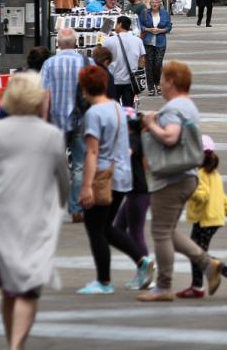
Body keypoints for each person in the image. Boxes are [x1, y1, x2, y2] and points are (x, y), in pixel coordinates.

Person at [0, 73, 70, 350]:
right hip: (37, 217)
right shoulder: (51, 135)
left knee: (9, 286)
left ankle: (12, 341)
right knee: (28, 286)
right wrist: (61, 203)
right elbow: (63, 178)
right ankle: (17, 345)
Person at [137, 61, 227, 302]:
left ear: (171, 82)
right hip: (187, 176)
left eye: (163, 79)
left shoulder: (174, 108)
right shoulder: (188, 106)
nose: (160, 83)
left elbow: (170, 137)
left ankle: (163, 286)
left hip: (171, 177)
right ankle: (209, 265)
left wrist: (150, 123)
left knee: (160, 233)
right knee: (168, 232)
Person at [76, 66, 155, 295]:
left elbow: (92, 152)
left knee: (95, 228)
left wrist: (86, 186)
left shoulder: (94, 114)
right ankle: (142, 261)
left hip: (102, 176)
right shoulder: (118, 108)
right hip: (123, 176)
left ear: (85, 88)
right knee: (107, 227)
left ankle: (104, 280)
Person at [178, 134, 227, 298]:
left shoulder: (198, 174)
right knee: (197, 251)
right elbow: (223, 197)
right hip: (213, 218)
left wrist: (189, 190)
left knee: (196, 253)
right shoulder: (215, 174)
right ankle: (197, 286)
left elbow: (203, 196)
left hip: (205, 220)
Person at [41, 28, 92, 223]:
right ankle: (76, 207)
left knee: (54, 166)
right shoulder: (86, 63)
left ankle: (53, 207)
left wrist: (44, 120)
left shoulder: (49, 64)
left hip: (56, 122)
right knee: (79, 166)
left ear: (59, 44)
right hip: (81, 121)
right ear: (76, 43)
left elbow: (45, 95)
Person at [114, 108, 152, 269]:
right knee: (117, 229)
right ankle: (143, 267)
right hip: (136, 193)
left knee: (136, 233)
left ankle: (145, 271)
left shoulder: (132, 139)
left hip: (139, 193)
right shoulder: (136, 137)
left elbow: (127, 153)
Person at [104, 16, 146, 108]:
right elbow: (142, 60)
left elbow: (103, 59)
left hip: (114, 80)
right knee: (128, 107)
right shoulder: (138, 41)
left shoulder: (109, 41)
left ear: (120, 24)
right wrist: (139, 73)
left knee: (114, 107)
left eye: (116, 24)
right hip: (131, 81)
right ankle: (128, 121)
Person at [139, 0, 172, 97]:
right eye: (152, 2)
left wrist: (161, 30)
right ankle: (151, 87)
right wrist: (148, 29)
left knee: (158, 63)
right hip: (148, 40)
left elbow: (169, 26)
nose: (154, 4)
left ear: (160, 3)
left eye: (156, 2)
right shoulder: (145, 13)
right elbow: (140, 25)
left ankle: (157, 83)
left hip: (160, 41)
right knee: (149, 64)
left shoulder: (165, 13)